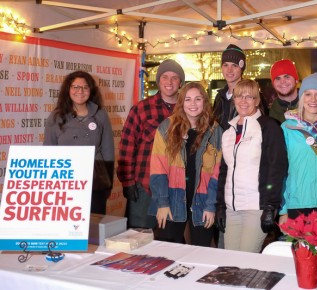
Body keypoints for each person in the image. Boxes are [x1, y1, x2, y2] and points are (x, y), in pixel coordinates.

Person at [215, 79, 288, 253]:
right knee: (232, 261)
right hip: (232, 208)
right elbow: (224, 172)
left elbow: (276, 168)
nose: (244, 101)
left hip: (256, 207)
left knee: (247, 259)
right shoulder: (228, 132)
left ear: (257, 100)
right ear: (234, 100)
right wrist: (220, 206)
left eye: (249, 97)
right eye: (239, 96)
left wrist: (270, 207)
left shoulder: (268, 127)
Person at [148, 82, 222, 246]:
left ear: (204, 101)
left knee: (201, 252)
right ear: (181, 103)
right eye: (188, 99)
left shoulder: (214, 130)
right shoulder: (167, 128)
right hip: (172, 198)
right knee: (168, 252)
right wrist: (162, 203)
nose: (193, 104)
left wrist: (211, 206)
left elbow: (217, 173)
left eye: (197, 99)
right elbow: (158, 168)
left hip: (203, 201)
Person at [117, 59, 185, 229]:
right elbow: (127, 147)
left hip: (175, 188)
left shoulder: (188, 110)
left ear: (181, 83)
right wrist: (128, 182)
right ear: (158, 81)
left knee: (170, 243)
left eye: (174, 78)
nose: (169, 82)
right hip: (145, 187)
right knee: (138, 238)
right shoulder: (142, 109)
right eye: (165, 77)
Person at [43, 70, 114, 215]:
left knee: (94, 230)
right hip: (65, 184)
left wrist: (109, 183)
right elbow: (48, 152)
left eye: (85, 87)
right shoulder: (56, 117)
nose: (80, 91)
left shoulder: (101, 115)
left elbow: (108, 151)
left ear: (91, 90)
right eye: (75, 87)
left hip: (96, 183)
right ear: (68, 90)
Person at [278, 73, 317, 224]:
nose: (313, 100)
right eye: (308, 94)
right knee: (298, 248)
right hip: (296, 203)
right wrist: (282, 210)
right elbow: (280, 171)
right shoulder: (287, 128)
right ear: (301, 97)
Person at [213, 44, 268, 131]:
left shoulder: (253, 95)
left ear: (242, 68)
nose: (229, 70)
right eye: (225, 65)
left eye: (234, 65)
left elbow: (263, 128)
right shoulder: (219, 97)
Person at [269, 59, 299, 124]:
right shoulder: (268, 114)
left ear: (296, 80)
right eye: (277, 78)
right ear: (273, 84)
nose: (282, 81)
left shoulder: (312, 106)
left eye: (287, 77)